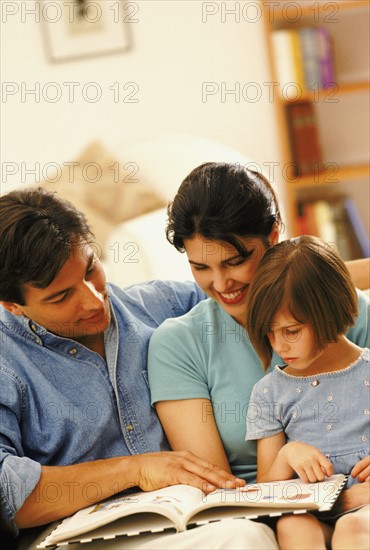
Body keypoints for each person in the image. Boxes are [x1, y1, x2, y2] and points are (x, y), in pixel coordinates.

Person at [0, 186, 281, 550]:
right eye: (61, 296)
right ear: (12, 305)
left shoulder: (156, 305)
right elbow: (5, 489)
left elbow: (268, 290)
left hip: (188, 521)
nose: (93, 299)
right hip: (78, 539)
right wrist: (136, 469)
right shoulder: (7, 362)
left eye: (91, 271)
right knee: (245, 538)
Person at [147, 162, 370, 546]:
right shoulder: (178, 344)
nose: (220, 284)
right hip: (274, 516)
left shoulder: (346, 310)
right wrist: (334, 501)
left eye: (235, 261)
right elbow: (217, 494)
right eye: (200, 266)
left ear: (272, 235)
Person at [245, 235, 370, 549]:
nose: (279, 346)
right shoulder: (269, 393)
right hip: (310, 509)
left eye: (291, 331)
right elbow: (265, 490)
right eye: (269, 333)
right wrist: (287, 454)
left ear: (328, 310)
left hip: (366, 509)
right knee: (292, 525)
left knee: (354, 528)